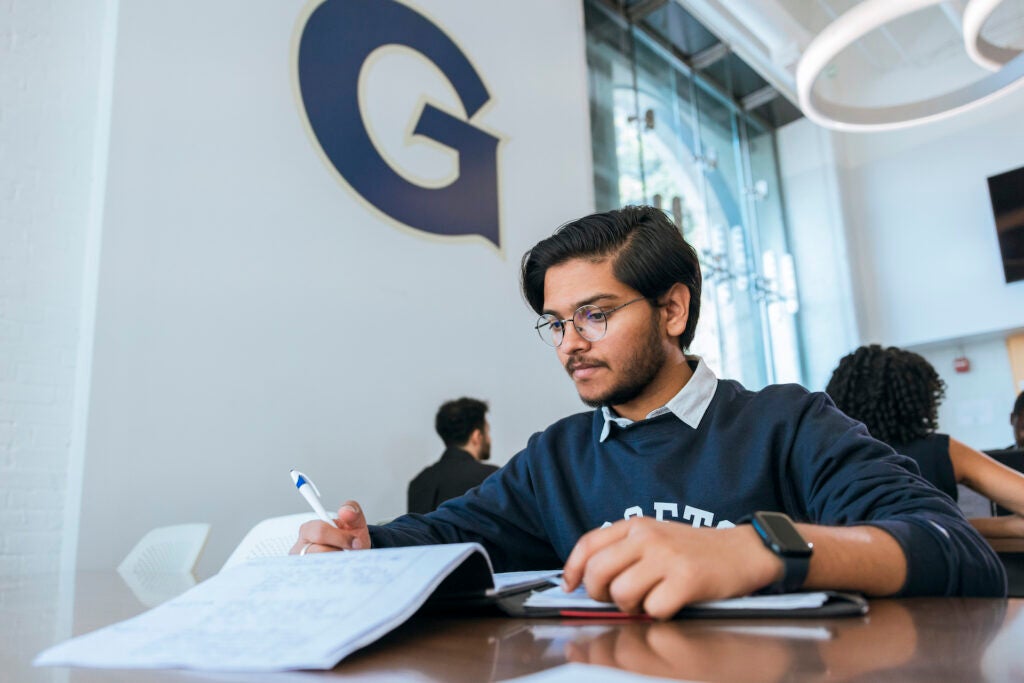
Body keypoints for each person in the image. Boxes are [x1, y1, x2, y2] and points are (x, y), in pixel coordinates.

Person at [293, 205, 1005, 617]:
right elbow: (448, 532)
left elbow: (960, 549)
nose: (570, 343)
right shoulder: (557, 456)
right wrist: (368, 546)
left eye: (595, 315)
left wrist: (758, 548)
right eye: (556, 322)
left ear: (673, 308)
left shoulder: (786, 423)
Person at [827, 344, 1024, 539]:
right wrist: (950, 525)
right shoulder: (939, 450)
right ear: (919, 402)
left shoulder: (826, 459)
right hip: (936, 565)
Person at [408, 398, 499, 514]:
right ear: (477, 436)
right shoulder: (491, 478)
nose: (489, 439)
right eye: (487, 432)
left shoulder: (418, 482)